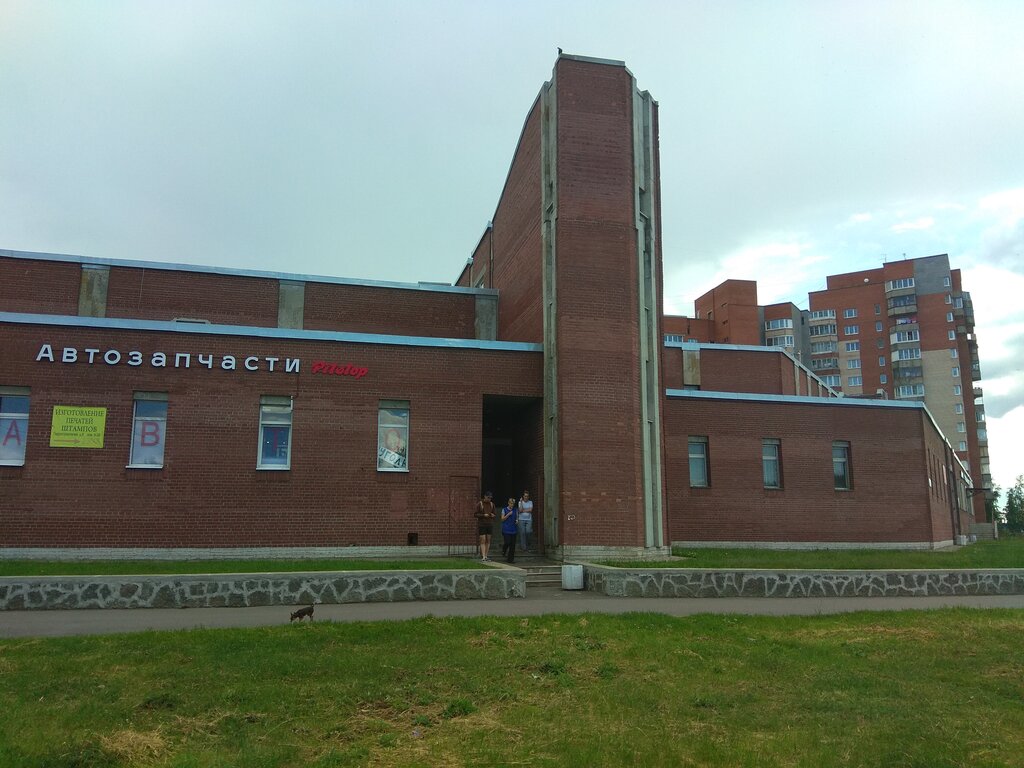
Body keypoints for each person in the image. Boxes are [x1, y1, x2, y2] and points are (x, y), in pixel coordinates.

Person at [475, 491, 496, 561]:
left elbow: (494, 514)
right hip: (482, 524)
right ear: (485, 496)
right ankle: (483, 556)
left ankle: (486, 555)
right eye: (488, 497)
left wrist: (492, 515)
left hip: (490, 524)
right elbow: (475, 514)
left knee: (488, 540)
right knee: (483, 540)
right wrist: (483, 515)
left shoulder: (492, 504)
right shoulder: (480, 504)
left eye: (490, 498)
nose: (489, 499)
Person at [500, 496, 518, 564]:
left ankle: (510, 559)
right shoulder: (504, 509)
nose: (512, 505)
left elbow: (517, 517)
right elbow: (502, 519)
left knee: (512, 545)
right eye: (511, 503)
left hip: (513, 529)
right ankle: (504, 550)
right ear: (508, 503)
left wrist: (517, 520)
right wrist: (508, 514)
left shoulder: (515, 510)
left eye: (513, 503)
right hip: (506, 529)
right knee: (507, 542)